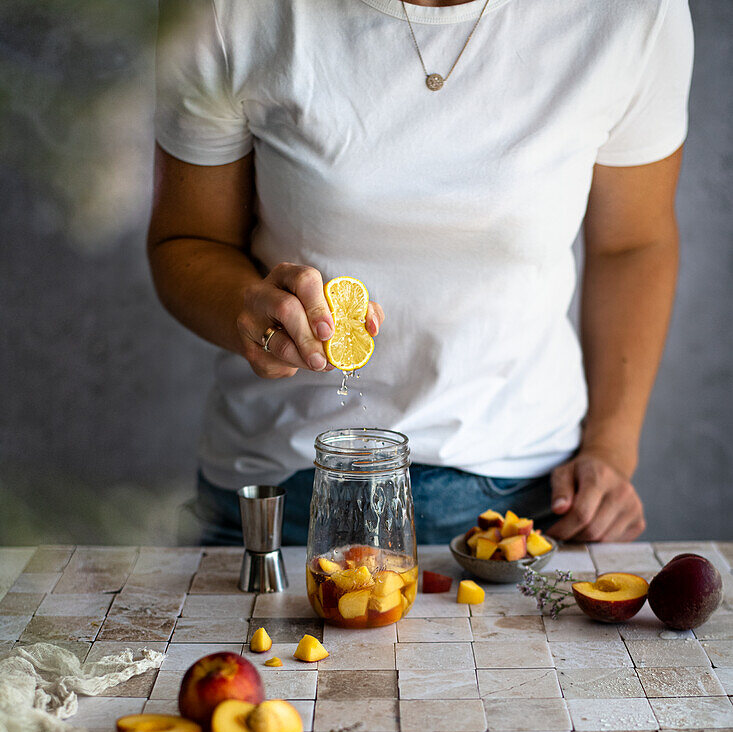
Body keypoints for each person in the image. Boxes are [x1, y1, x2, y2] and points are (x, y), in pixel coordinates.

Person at [148, 0, 693, 546]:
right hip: (283, 487)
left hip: (523, 499)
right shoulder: (230, 11)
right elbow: (188, 239)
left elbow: (633, 244)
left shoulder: (632, 13)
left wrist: (610, 449)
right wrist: (249, 310)